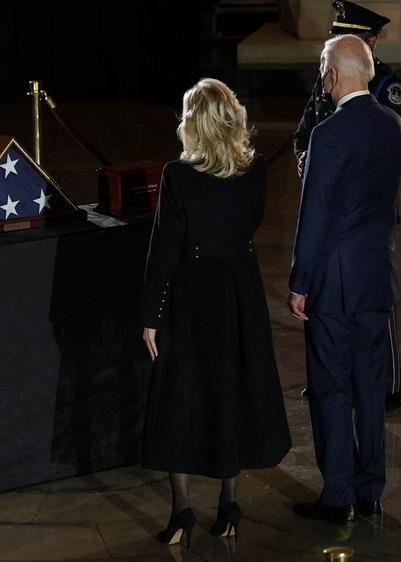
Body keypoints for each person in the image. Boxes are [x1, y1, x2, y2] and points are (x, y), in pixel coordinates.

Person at [140, 78, 291, 545]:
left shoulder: (178, 175)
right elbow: (250, 224)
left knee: (179, 396)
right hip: (239, 293)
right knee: (232, 388)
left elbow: (164, 248)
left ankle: (181, 511)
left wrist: (151, 314)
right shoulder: (257, 169)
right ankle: (230, 504)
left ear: (193, 123)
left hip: (191, 295)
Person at [288, 34, 401, 525]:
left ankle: (338, 496)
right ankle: (370, 490)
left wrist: (300, 282)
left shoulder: (328, 135)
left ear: (332, 75)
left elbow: (314, 217)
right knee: (369, 389)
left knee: (331, 390)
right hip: (376, 279)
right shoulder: (393, 124)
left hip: (333, 287)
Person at [294, 0, 401, 411]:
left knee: (376, 307)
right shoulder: (325, 82)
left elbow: (381, 150)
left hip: (369, 208)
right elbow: (305, 132)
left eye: (356, 38)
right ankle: (338, 379)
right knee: (337, 302)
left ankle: (389, 382)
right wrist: (308, 164)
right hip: (331, 203)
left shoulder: (386, 87)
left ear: (372, 43)